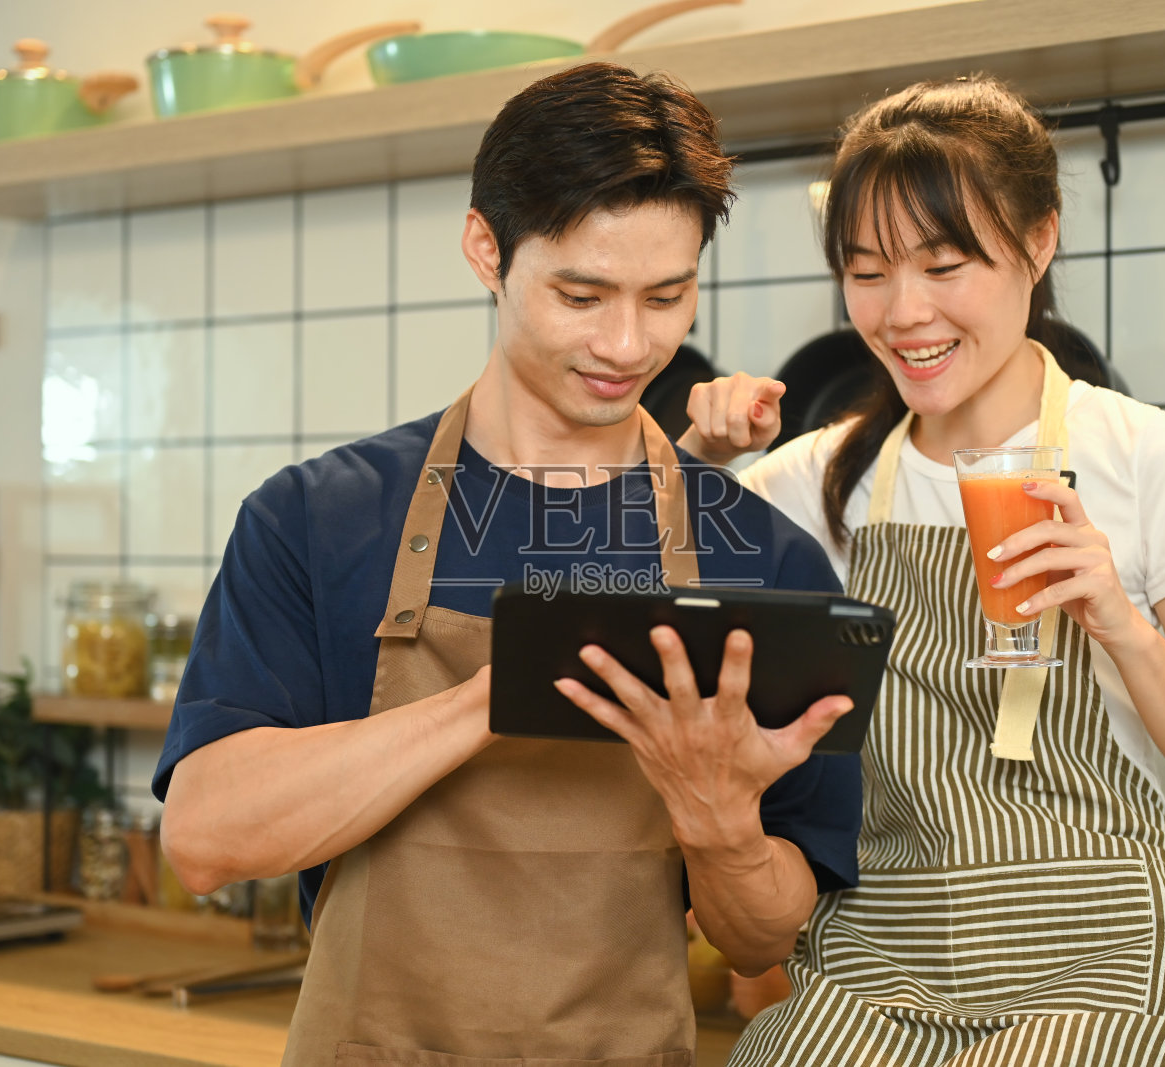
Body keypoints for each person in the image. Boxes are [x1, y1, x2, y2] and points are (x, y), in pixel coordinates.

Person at [152, 61, 864, 1065]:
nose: (627, 343)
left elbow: (765, 937)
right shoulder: (321, 518)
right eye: (581, 293)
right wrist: (496, 697)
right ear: (485, 248)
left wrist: (721, 826)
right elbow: (206, 837)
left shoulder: (759, 554)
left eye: (667, 297)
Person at [679, 76, 1165, 1065]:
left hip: (1099, 954)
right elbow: (601, 574)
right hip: (879, 948)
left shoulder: (1146, 458)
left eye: (944, 263)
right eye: (866, 272)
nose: (903, 312)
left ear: (1038, 242)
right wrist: (692, 458)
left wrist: (1119, 621)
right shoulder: (816, 478)